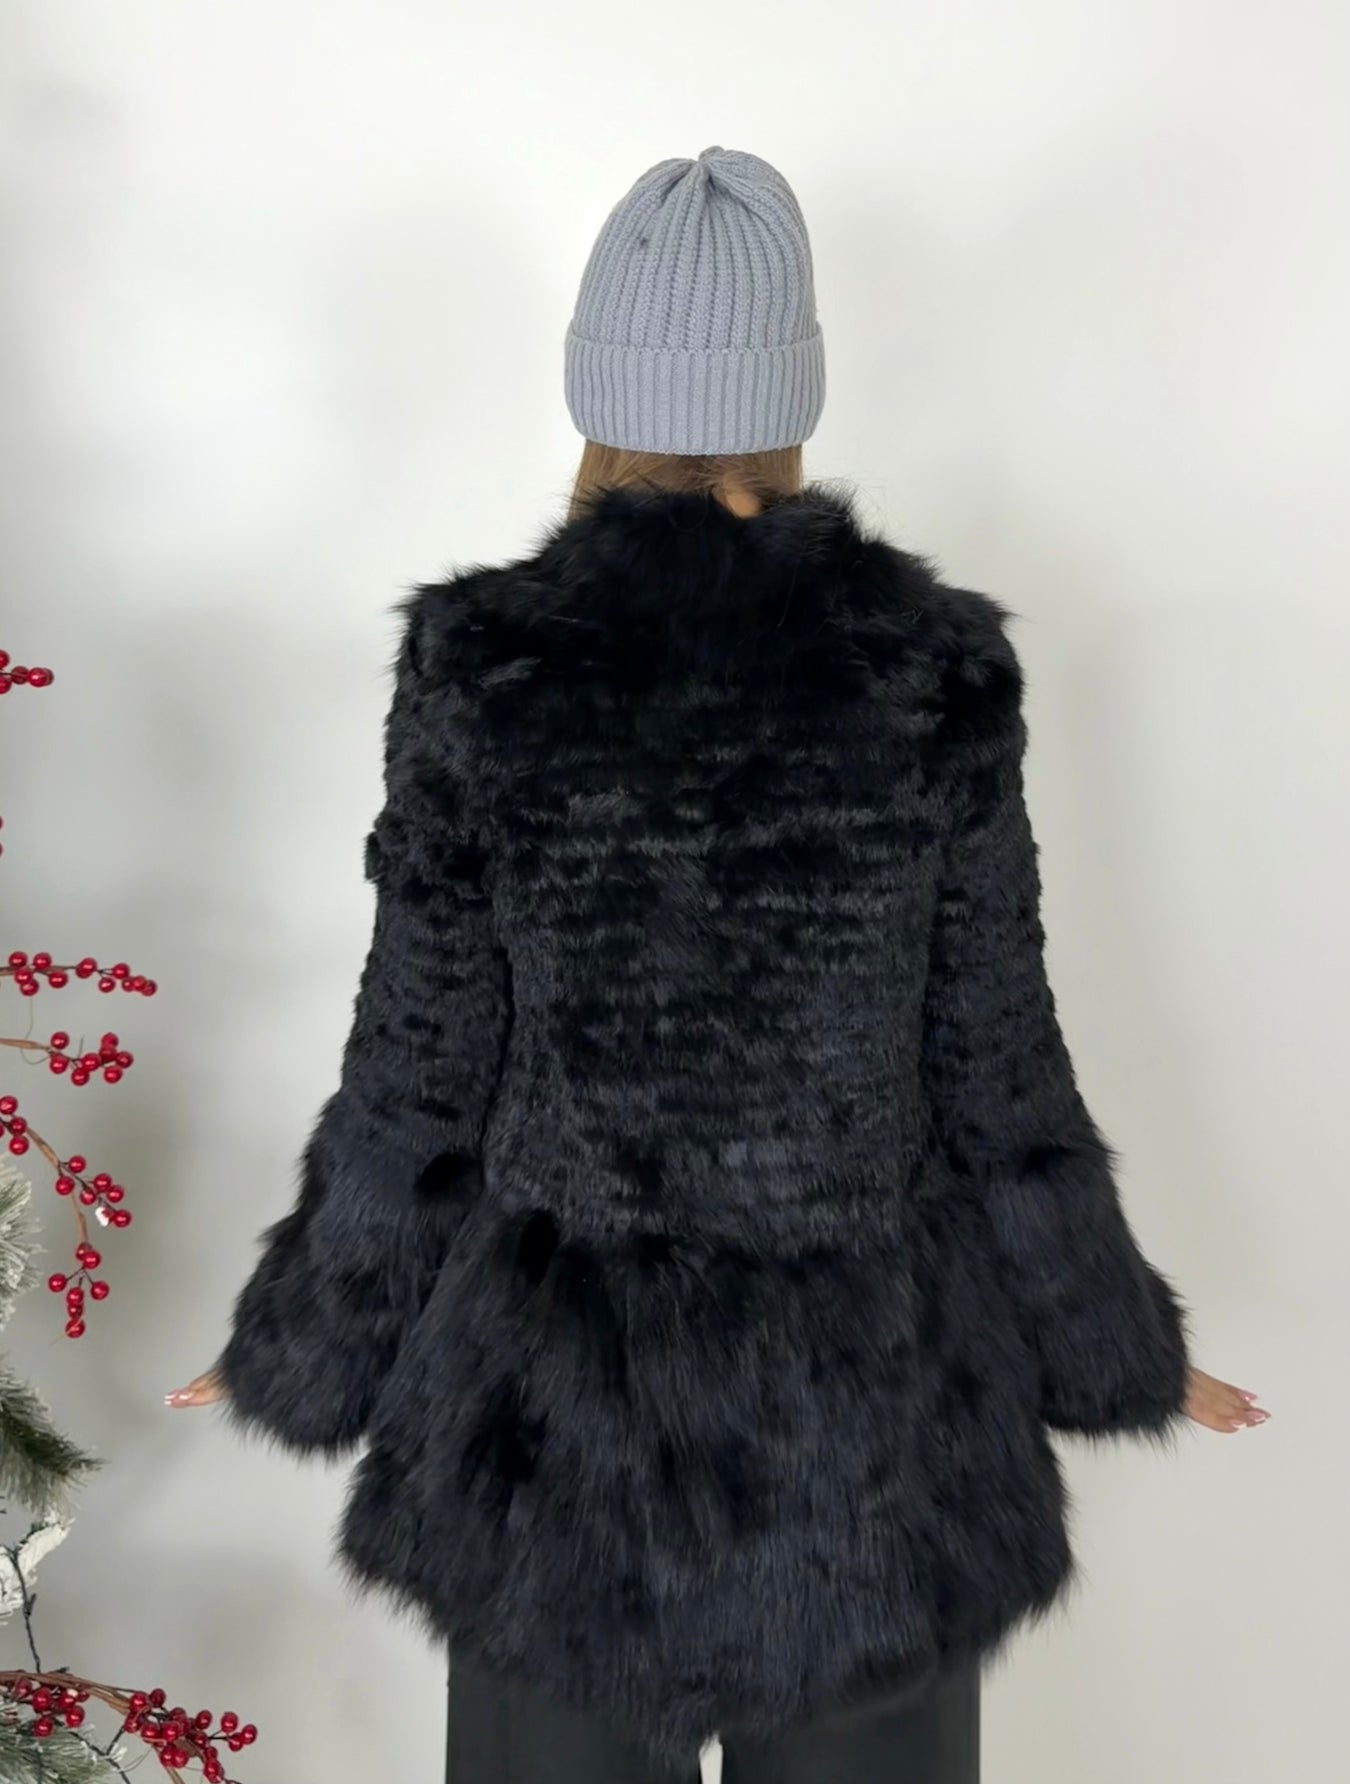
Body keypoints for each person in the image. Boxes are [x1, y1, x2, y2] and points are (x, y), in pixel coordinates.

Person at [170, 146, 1269, 1782]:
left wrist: (310, 1344)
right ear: (789, 399)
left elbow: (420, 1057)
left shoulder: (485, 670)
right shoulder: (927, 670)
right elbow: (996, 1057)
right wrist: (1107, 1346)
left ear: (599, 395)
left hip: (557, 1440)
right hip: (868, 1436)